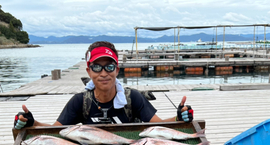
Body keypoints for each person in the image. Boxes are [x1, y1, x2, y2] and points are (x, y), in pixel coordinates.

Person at [14, 41, 193, 129]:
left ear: (117, 70)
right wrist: (32, 122)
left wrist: (179, 117)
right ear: (88, 71)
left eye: (109, 66)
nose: (103, 73)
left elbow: (158, 125)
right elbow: (55, 131)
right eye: (96, 67)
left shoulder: (133, 97)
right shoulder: (80, 101)